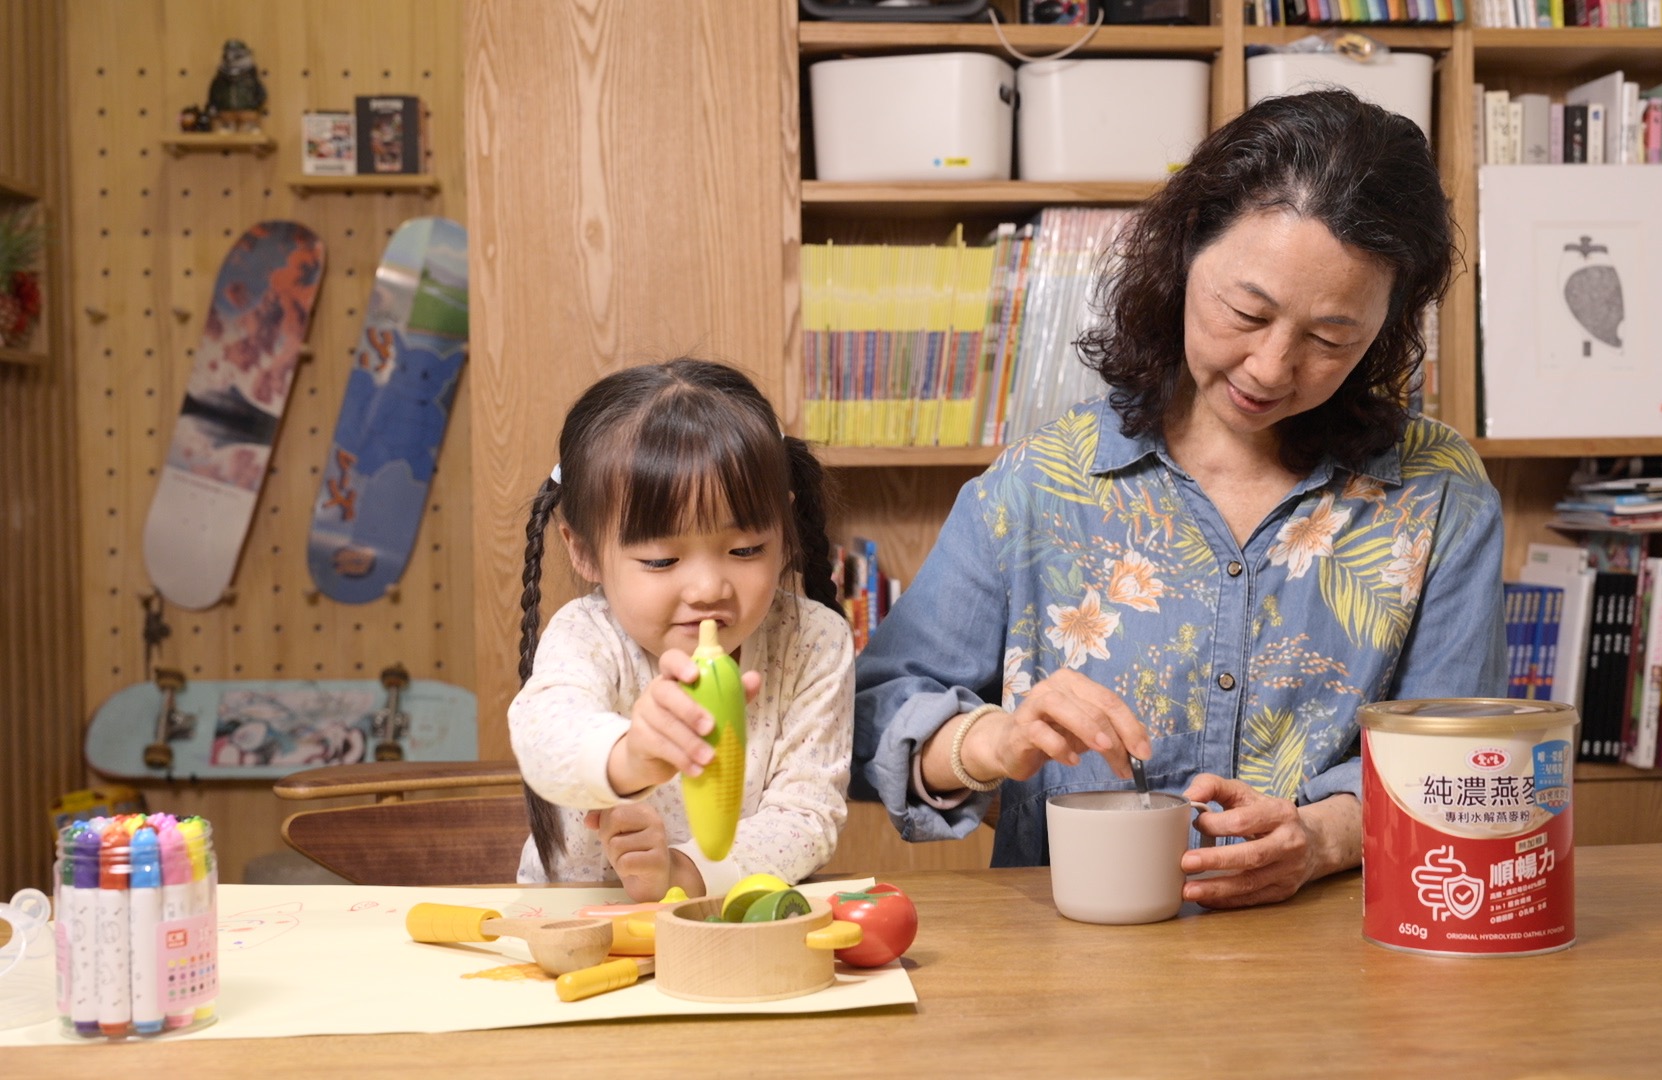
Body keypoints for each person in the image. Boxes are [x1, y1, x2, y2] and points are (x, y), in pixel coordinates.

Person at [853, 89, 1506, 909]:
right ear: (1186, 251)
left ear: (1390, 327)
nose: (1271, 367)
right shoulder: (1041, 483)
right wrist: (991, 740)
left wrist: (1325, 837)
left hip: (1338, 968)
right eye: (1246, 311)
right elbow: (866, 724)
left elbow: (1460, 759)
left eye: (1330, 338)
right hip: (1075, 967)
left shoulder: (1439, 496)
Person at [511, 359, 854, 902]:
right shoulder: (587, 634)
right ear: (582, 549)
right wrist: (629, 757)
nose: (707, 588)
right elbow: (543, 736)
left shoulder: (812, 641)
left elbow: (805, 816)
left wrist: (682, 872)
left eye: (745, 550)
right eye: (662, 560)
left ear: (785, 531)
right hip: (579, 920)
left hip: (730, 920)